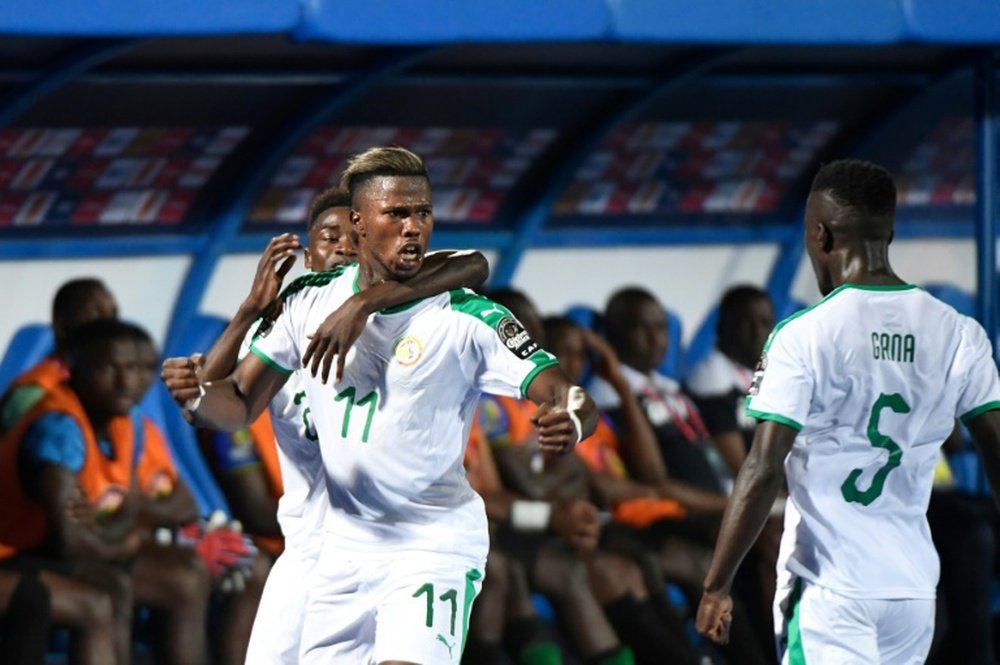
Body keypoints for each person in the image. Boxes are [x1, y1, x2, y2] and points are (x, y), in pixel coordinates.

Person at [171, 146, 598, 665]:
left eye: (423, 213)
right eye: (397, 213)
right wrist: (197, 393)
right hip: (338, 553)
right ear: (359, 223)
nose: (414, 226)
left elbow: (568, 392)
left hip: (429, 545)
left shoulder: (466, 317)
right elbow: (238, 400)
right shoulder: (307, 302)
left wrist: (571, 417)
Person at [164, 184, 491, 664]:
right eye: (327, 236)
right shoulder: (282, 330)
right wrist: (249, 312)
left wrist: (364, 304)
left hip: (394, 549)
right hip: (307, 556)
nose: (341, 247)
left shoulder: (400, 327)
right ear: (308, 253)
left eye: (352, 239)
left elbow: (472, 264)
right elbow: (217, 400)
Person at [695, 159, 1000, 664]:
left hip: (829, 587)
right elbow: (995, 448)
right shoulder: (958, 332)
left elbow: (763, 467)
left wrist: (716, 584)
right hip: (912, 589)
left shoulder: (803, 334)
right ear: (890, 232)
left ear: (820, 235)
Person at [0, 318, 227, 665]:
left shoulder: (127, 423)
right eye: (111, 368)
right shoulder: (59, 429)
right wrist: (128, 537)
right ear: (75, 368)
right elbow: (67, 541)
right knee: (104, 595)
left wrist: (129, 520)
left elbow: (180, 506)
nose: (128, 382)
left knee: (184, 578)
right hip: (19, 554)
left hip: (72, 549)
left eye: (140, 369)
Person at [0, 278, 118, 433]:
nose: (110, 326)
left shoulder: (122, 392)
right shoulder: (34, 395)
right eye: (95, 315)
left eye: (114, 315)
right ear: (60, 326)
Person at [687, 285, 775, 475]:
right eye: (747, 323)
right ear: (723, 326)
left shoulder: (762, 372)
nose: (757, 332)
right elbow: (742, 469)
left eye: (765, 323)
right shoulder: (712, 376)